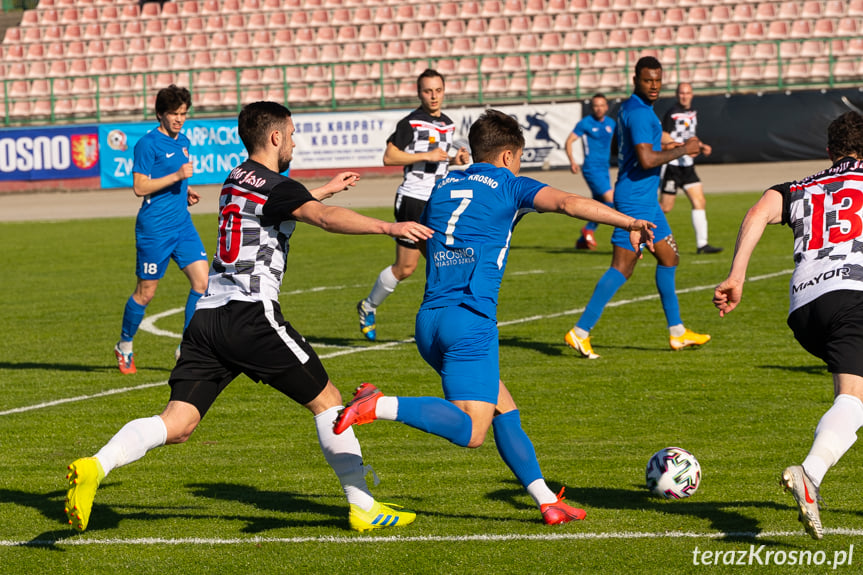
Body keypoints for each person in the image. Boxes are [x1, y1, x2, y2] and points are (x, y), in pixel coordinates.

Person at [65, 101, 433, 533]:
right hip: (251, 315)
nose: (294, 141)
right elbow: (321, 218)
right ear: (275, 137)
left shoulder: (236, 177)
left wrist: (325, 188)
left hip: (207, 320)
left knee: (178, 423)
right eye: (291, 134)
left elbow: (276, 205)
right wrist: (390, 228)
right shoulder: (278, 185)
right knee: (330, 402)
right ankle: (363, 504)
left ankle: (96, 465)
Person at [334, 109, 655, 524]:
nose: (518, 166)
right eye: (518, 158)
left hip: (430, 321)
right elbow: (568, 203)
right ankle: (378, 405)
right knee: (472, 431)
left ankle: (544, 499)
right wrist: (629, 220)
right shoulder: (509, 183)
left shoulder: (445, 182)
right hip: (470, 320)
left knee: (504, 407)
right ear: (507, 156)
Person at [713, 111, 863, 540]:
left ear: (828, 152)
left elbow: (759, 211)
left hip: (805, 307)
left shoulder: (801, 187)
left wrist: (737, 276)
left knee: (854, 399)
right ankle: (809, 474)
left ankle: (814, 473)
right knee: (853, 398)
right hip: (854, 294)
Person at [564, 57, 711, 359]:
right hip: (634, 201)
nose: (654, 85)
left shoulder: (633, 109)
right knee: (622, 267)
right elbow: (645, 159)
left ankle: (678, 332)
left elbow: (632, 146)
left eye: (658, 80)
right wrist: (684, 149)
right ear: (636, 80)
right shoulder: (641, 113)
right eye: (648, 80)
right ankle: (580, 332)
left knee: (669, 257)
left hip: (647, 200)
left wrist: (669, 145)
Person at [356, 69, 470, 341]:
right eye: (428, 91)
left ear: (444, 91)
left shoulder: (448, 123)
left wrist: (454, 161)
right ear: (419, 93)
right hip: (413, 199)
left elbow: (435, 162)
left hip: (438, 199)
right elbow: (389, 157)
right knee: (407, 267)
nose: (433, 96)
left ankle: (444, 323)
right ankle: (368, 306)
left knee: (442, 261)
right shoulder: (411, 122)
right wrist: (427, 153)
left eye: (438, 90)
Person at [114, 85, 208, 374]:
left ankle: (187, 347)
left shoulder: (184, 141)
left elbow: (168, 180)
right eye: (173, 114)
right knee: (146, 293)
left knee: (203, 285)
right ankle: (125, 345)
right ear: (160, 114)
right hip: (155, 228)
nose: (179, 119)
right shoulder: (147, 144)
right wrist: (178, 176)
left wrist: (185, 189)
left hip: (182, 224)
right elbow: (140, 187)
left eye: (183, 114)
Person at [659, 83, 722, 254]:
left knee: (699, 201)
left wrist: (701, 146)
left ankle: (702, 244)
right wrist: (679, 147)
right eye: (681, 93)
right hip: (672, 165)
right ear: (676, 94)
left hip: (687, 167)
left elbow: (689, 136)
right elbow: (663, 135)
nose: (684, 96)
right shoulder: (672, 113)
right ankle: (643, 233)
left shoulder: (692, 113)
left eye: (687, 93)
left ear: (692, 94)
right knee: (665, 208)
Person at [565, 93, 616, 250]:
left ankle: (582, 241)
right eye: (595, 106)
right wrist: (572, 161)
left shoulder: (611, 123)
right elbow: (569, 141)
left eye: (601, 105)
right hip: (591, 168)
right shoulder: (585, 123)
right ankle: (588, 229)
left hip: (604, 168)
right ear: (592, 107)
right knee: (611, 200)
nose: (599, 108)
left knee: (598, 206)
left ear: (606, 107)